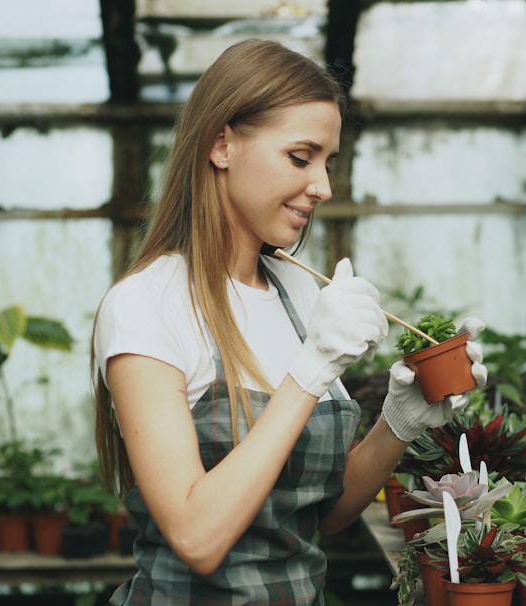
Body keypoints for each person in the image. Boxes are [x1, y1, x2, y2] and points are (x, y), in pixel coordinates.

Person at [91, 39, 486, 604]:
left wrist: (400, 422)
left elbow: (326, 513)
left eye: (328, 162)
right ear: (221, 145)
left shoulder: (301, 291)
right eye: (301, 158)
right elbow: (195, 536)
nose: (323, 187)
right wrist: (310, 373)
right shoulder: (147, 305)